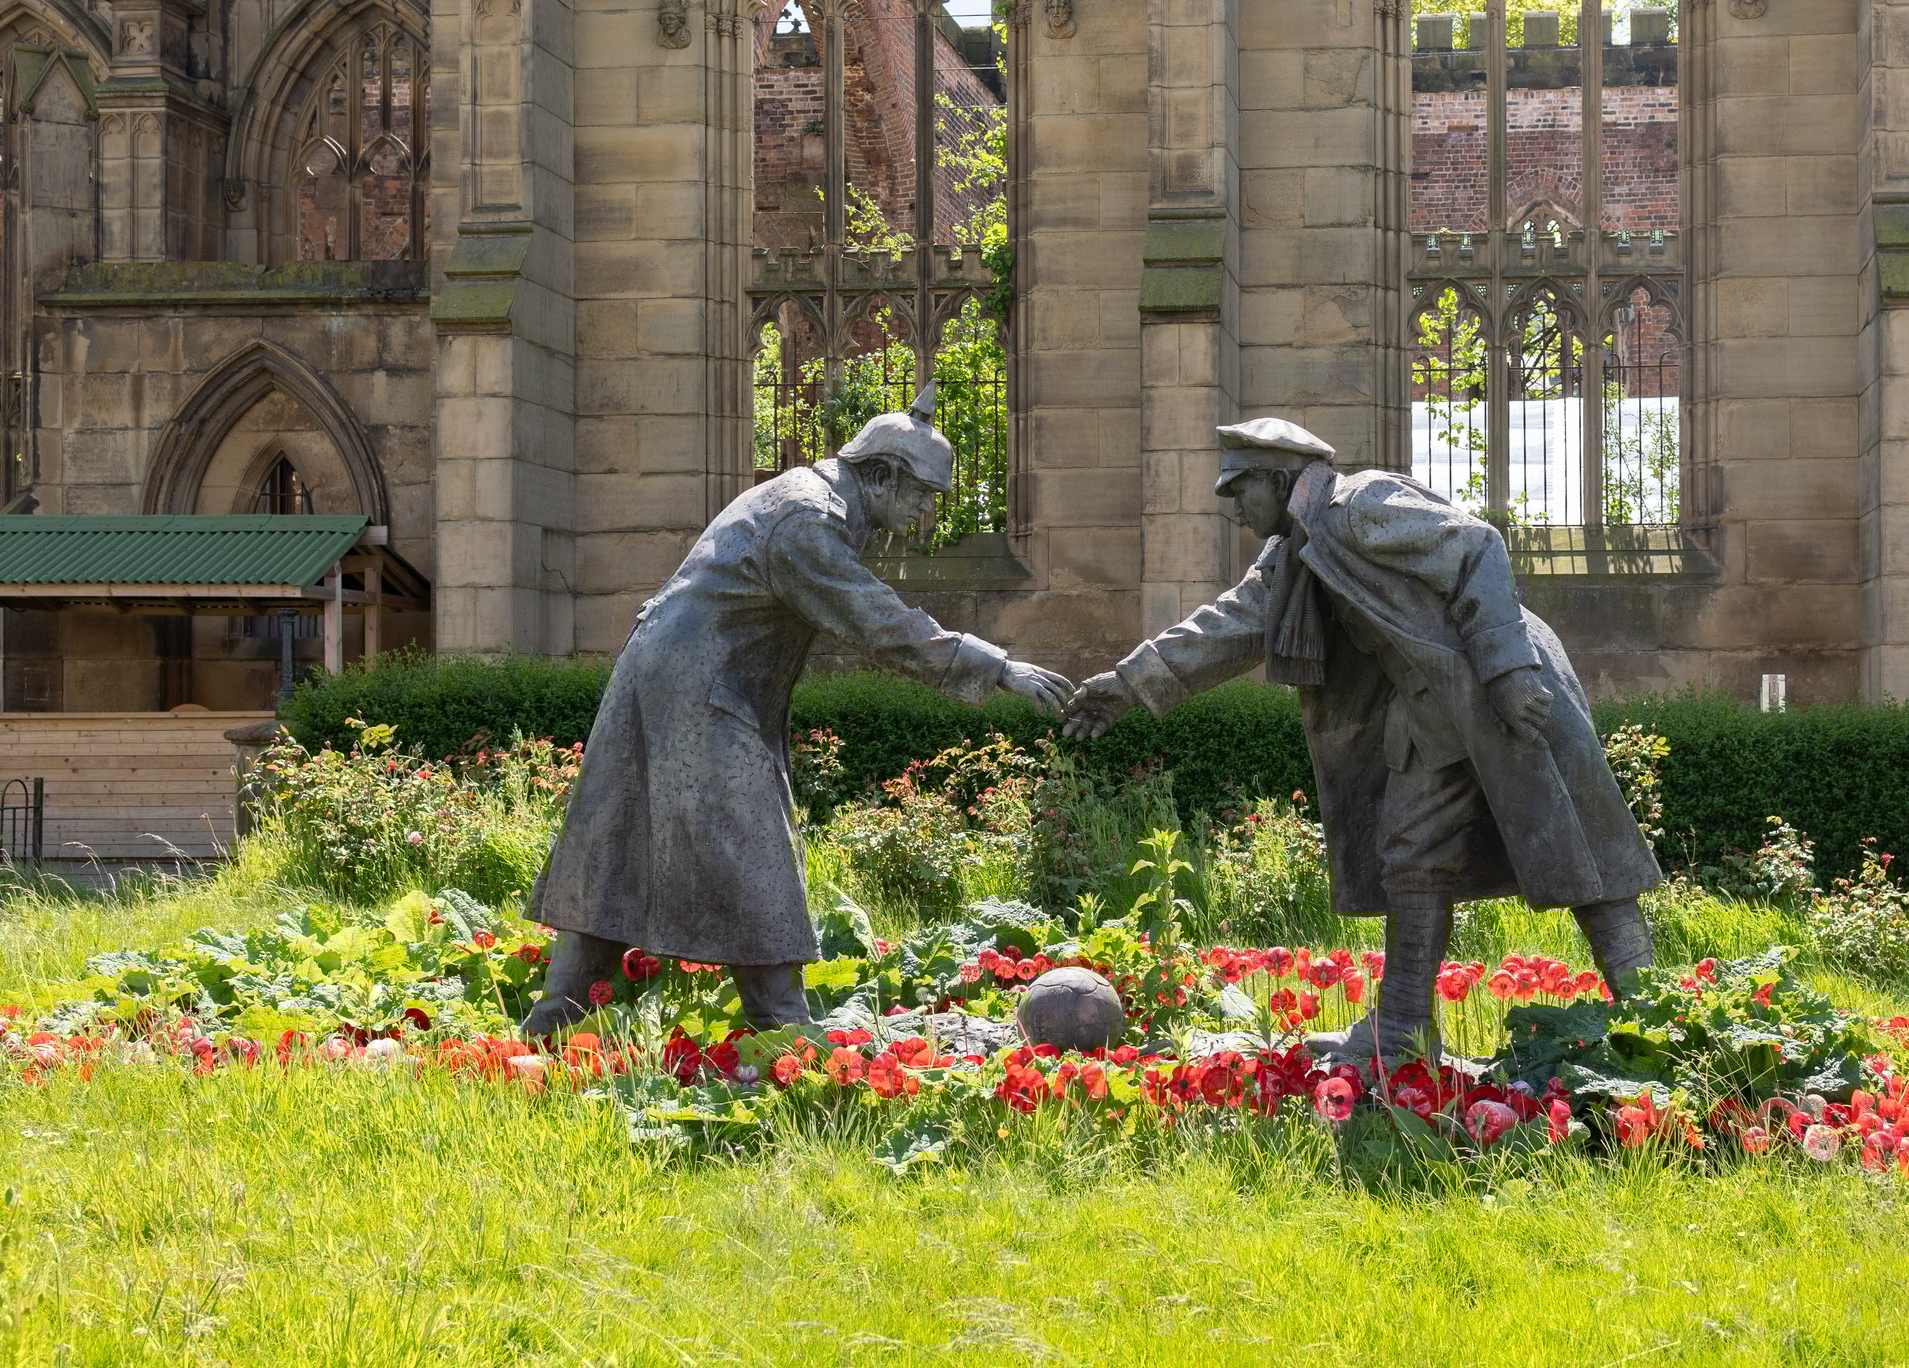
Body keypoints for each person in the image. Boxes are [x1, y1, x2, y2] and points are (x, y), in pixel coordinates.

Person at [1062, 418, 1662, 1064]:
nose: (1234, 510)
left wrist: (1508, 670)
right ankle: (1402, 1027)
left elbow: (1479, 546)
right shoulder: (1294, 550)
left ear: (1276, 478)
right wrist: (1126, 684)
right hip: (1435, 707)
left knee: (1584, 855)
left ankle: (1656, 1021)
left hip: (1501, 680)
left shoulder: (1359, 505)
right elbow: (1226, 627)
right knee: (1411, 851)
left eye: (1239, 491)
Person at [521, 385, 1074, 1037]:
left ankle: (558, 1016)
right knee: (750, 841)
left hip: (675, 672)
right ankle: (779, 1023)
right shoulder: (806, 519)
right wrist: (999, 666)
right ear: (885, 473)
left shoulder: (820, 502)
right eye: (924, 493)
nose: (928, 510)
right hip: (700, 683)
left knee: (619, 833)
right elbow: (876, 620)